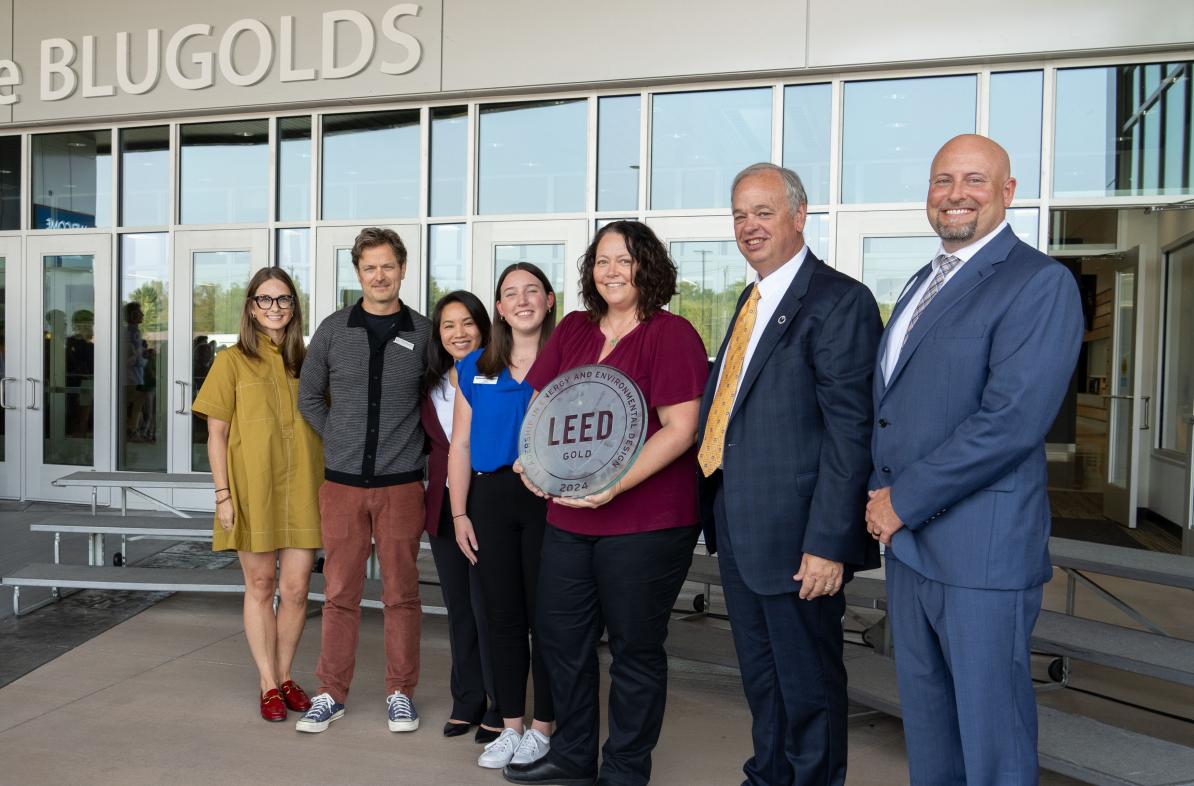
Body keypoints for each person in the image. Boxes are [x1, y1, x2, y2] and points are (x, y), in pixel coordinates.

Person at [865, 134, 1083, 785]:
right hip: (910, 550)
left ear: (1007, 192)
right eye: (942, 180)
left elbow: (1011, 421)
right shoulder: (920, 282)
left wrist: (900, 499)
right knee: (930, 730)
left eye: (974, 180)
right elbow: (898, 406)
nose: (955, 194)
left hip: (981, 555)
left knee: (991, 739)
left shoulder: (1038, 283)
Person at [696, 163, 882, 786]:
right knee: (764, 680)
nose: (750, 226)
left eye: (764, 212)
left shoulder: (838, 300)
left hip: (801, 538)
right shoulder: (751, 299)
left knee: (809, 687)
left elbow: (851, 432)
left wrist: (829, 543)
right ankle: (767, 775)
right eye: (740, 214)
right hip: (744, 530)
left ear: (800, 216)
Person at [506, 221, 709, 786]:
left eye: (624, 259)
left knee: (634, 649)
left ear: (647, 266)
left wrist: (617, 483)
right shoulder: (572, 328)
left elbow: (681, 428)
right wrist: (532, 458)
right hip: (568, 516)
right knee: (560, 638)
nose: (611, 271)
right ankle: (572, 755)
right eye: (601, 261)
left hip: (646, 521)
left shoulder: (672, 334)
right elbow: (543, 405)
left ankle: (624, 767)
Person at [296, 227, 432, 734]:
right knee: (339, 594)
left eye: (388, 266)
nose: (380, 275)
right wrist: (341, 438)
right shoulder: (333, 329)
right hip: (342, 486)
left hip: (401, 487)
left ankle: (401, 692)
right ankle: (330, 692)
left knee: (401, 594)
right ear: (358, 273)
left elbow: (438, 403)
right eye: (369, 267)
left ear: (402, 269)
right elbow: (309, 396)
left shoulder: (423, 332)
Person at [192, 267, 323, 722]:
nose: (274, 308)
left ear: (294, 307)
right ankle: (267, 682)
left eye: (283, 299)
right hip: (252, 487)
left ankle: (286, 677)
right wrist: (223, 494)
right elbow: (217, 433)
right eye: (265, 300)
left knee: (297, 588)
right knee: (261, 585)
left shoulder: (308, 359)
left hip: (304, 486)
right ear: (251, 307)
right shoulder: (231, 360)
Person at [448, 263, 556, 771]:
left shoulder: (566, 361)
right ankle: (511, 724)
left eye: (531, 290)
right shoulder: (474, 365)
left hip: (547, 500)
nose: (521, 299)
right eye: (510, 293)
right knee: (503, 618)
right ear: (498, 306)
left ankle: (544, 727)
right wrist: (458, 512)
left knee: (548, 618)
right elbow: (461, 442)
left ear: (550, 301)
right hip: (489, 499)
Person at [419, 290, 503, 744]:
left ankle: (498, 703)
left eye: (467, 323)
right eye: (448, 325)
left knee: (488, 608)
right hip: (445, 511)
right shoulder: (430, 384)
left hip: (488, 506)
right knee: (459, 613)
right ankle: (466, 699)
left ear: (483, 327)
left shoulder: (499, 374)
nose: (458, 333)